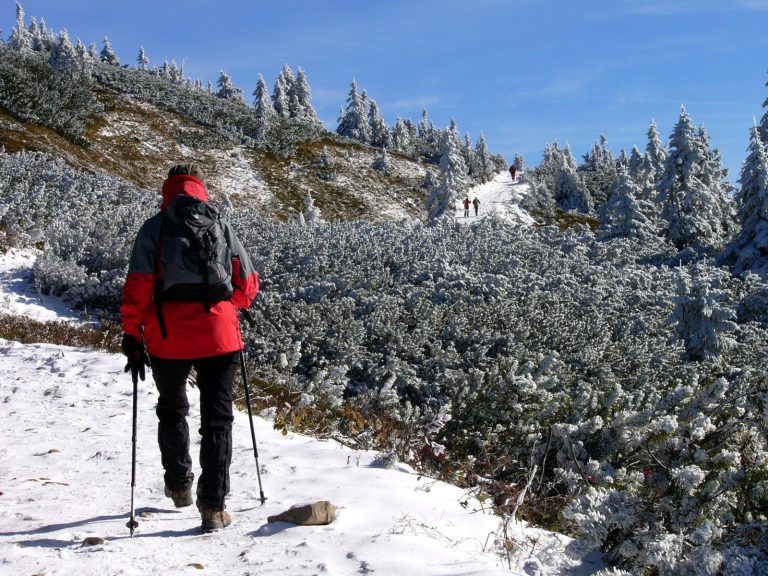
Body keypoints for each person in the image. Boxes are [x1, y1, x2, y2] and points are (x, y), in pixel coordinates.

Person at [120, 164, 259, 533]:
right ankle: (212, 508)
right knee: (217, 418)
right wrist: (228, 306)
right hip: (219, 334)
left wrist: (132, 334)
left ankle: (179, 485)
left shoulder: (154, 228)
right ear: (201, 188)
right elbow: (247, 286)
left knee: (171, 408)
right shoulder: (221, 224)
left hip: (168, 336)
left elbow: (137, 286)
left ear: (169, 189)